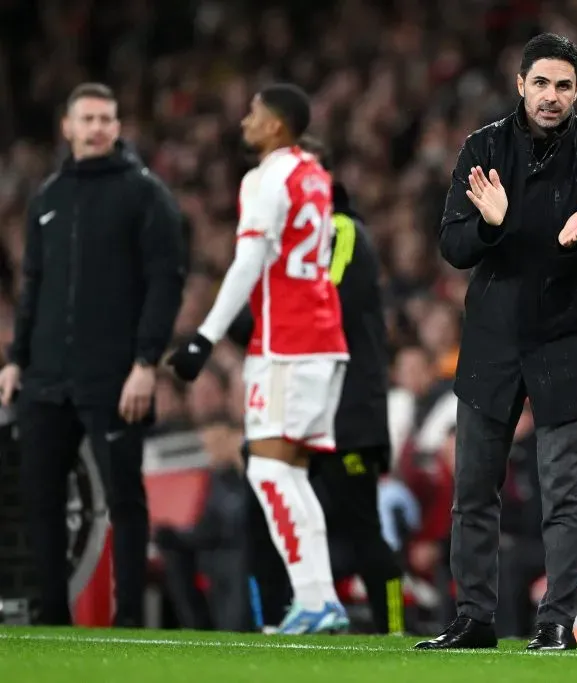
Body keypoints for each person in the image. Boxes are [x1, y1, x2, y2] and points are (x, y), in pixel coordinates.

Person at [415, 33, 577, 652]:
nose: (551, 96)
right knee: (473, 490)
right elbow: (453, 247)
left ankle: (557, 621)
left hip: (567, 339)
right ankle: (473, 619)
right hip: (493, 340)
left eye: (564, 86)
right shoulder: (483, 148)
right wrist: (488, 223)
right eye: (541, 83)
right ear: (520, 84)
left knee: (564, 492)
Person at [166, 83, 349, 635]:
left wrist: (203, 336)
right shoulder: (316, 175)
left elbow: (248, 263)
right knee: (290, 472)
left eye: (253, 112)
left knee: (269, 470)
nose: (245, 118)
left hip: (288, 342)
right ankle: (320, 599)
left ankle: (315, 599)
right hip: (323, 339)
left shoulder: (266, 177)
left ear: (275, 125)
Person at [0, 82, 185, 626]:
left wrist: (146, 363)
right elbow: (32, 286)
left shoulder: (146, 194)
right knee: (38, 499)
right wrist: (15, 358)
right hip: (45, 377)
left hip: (116, 375)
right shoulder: (48, 198)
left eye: (106, 118)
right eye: (88, 119)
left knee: (124, 500)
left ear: (118, 125)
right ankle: (52, 618)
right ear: (68, 126)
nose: (98, 127)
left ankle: (129, 623)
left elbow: (165, 283)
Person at [229, 134, 406, 635]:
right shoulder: (274, 243)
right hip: (287, 404)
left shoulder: (345, 230)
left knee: (361, 527)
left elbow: (317, 305)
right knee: (262, 524)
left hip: (346, 408)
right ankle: (269, 628)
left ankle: (394, 631)